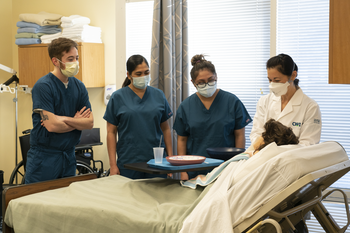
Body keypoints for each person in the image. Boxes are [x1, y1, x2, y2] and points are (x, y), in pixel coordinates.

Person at [26, 38, 93, 184]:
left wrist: (62, 118)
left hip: (69, 155)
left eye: (76, 58)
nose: (75, 62)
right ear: (55, 61)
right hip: (44, 158)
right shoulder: (43, 86)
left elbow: (89, 123)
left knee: (65, 203)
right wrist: (76, 120)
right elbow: (52, 126)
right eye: (70, 59)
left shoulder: (79, 86)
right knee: (38, 203)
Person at [173, 54, 252, 180]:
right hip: (195, 169)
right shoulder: (186, 106)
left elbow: (240, 135)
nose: (207, 84)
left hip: (226, 169)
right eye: (201, 82)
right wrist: (183, 171)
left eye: (211, 80)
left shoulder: (232, 101)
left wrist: (238, 164)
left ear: (216, 77)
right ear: (193, 83)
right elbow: (182, 140)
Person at [104, 54, 173, 179]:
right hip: (129, 161)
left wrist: (170, 158)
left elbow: (166, 129)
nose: (143, 77)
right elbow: (111, 132)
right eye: (138, 74)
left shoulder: (158, 95)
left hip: (157, 161)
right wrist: (113, 165)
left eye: (146, 72)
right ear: (129, 75)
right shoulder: (117, 97)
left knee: (158, 196)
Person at [250, 53, 321, 146]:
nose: (272, 84)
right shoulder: (264, 101)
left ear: (293, 75)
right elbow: (256, 133)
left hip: (292, 158)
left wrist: (278, 152)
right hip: (264, 155)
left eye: (277, 80)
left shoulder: (310, 106)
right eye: (270, 80)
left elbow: (308, 144)